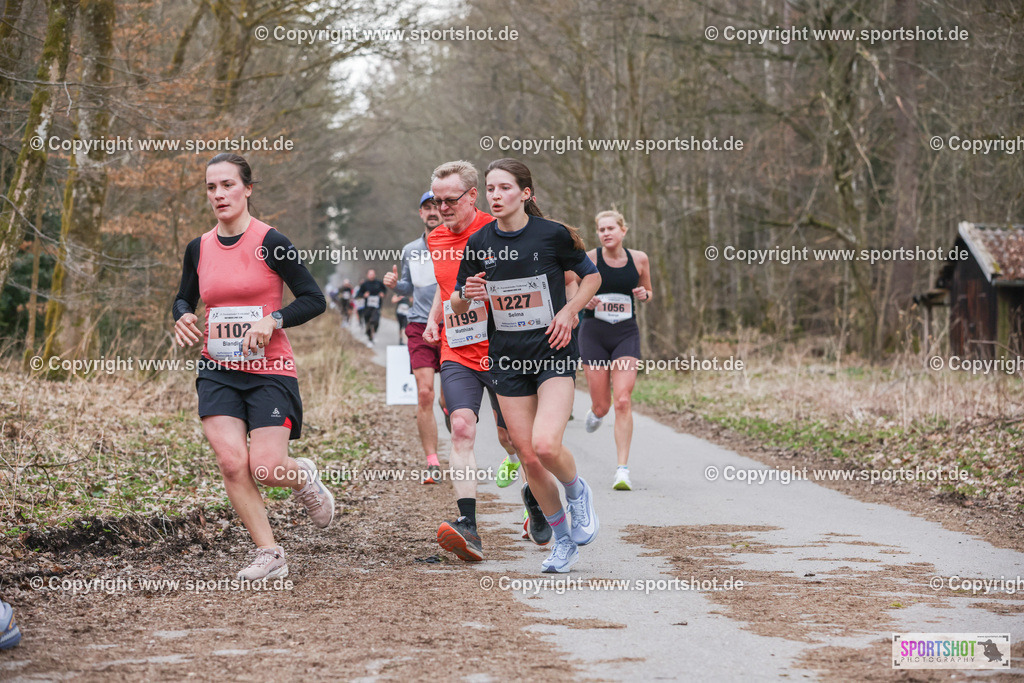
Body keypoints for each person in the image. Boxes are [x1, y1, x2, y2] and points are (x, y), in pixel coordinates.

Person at [172, 153, 333, 581]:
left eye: (227, 185)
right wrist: (183, 315)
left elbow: (314, 299)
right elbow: (184, 297)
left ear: (248, 189)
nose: (219, 194)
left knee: (265, 467)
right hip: (217, 368)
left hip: (269, 369)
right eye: (211, 187)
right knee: (230, 462)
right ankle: (270, 553)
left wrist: (273, 318)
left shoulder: (271, 242)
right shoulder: (199, 247)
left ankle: (303, 479)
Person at [453, 158, 601, 574]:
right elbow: (458, 303)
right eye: (491, 189)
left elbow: (591, 278)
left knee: (546, 446)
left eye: (504, 188)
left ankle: (577, 492)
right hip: (507, 358)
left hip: (552, 352)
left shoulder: (552, 235)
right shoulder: (480, 242)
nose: (496, 196)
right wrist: (468, 292)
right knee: (529, 458)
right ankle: (564, 541)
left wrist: (570, 311)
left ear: (525, 193)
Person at [422, 160, 550, 562]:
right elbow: (448, 290)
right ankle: (469, 527)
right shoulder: (435, 240)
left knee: (517, 442)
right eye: (436, 201)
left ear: (472, 196)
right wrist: (434, 319)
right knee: (461, 427)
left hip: (505, 350)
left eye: (450, 200)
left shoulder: (499, 229)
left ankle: (537, 499)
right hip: (458, 348)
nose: (441, 209)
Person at [579, 210, 653, 491]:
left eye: (611, 228)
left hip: (625, 333)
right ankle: (597, 413)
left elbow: (648, 291)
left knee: (623, 400)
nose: (606, 233)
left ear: (623, 230)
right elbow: (572, 285)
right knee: (603, 405)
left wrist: (644, 295)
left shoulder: (640, 259)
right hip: (594, 334)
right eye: (601, 229)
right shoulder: (590, 258)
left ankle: (622, 470)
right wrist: (582, 300)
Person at [383, 191, 446, 484]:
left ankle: (455, 424)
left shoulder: (458, 244)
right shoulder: (411, 249)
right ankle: (432, 462)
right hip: (419, 326)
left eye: (436, 206)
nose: (432, 212)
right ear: (420, 214)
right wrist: (396, 285)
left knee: (450, 399)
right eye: (427, 208)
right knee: (424, 393)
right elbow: (409, 287)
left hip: (453, 326)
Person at [356, 269, 386, 347]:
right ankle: (370, 339)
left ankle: (374, 333)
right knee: (368, 323)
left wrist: (383, 294)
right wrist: (363, 295)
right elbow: (358, 294)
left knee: (375, 321)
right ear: (367, 275)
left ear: (375, 275)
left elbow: (384, 290)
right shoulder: (364, 284)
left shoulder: (379, 283)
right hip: (367, 307)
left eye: (373, 274)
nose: (371, 275)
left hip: (376, 306)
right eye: (370, 274)